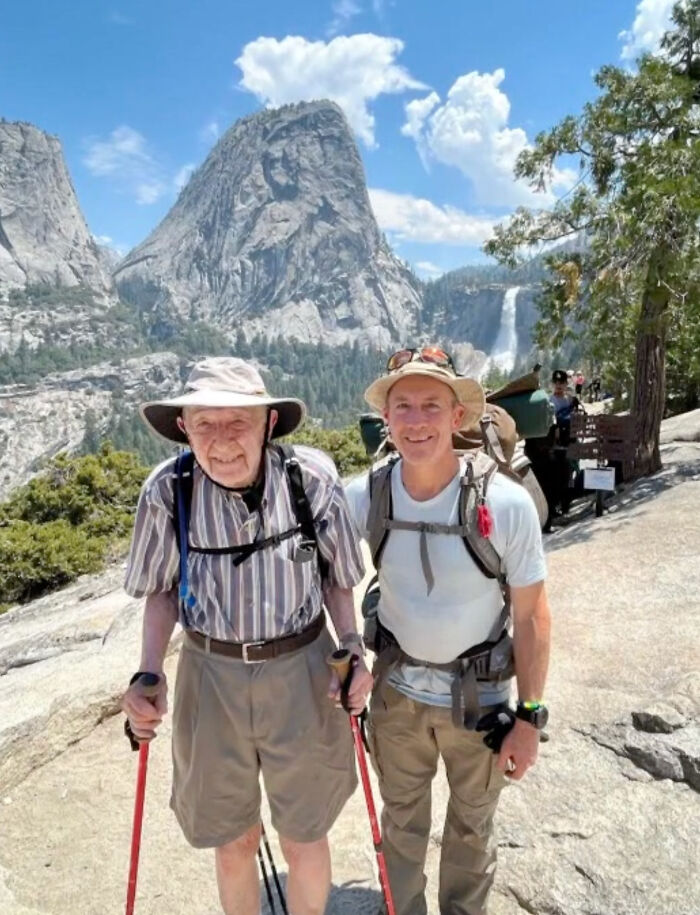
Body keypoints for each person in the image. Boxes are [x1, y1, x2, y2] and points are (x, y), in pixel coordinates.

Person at [121, 356, 372, 915]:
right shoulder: (167, 491)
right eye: (204, 424)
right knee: (232, 837)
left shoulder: (311, 479)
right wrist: (148, 672)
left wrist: (352, 647)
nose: (222, 441)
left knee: (303, 834)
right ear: (183, 428)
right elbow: (161, 591)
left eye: (238, 421)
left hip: (303, 667)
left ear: (269, 423)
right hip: (210, 675)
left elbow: (337, 578)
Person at [345, 347, 551, 915]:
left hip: (480, 701)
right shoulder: (365, 495)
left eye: (431, 405)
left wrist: (530, 718)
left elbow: (532, 615)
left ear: (457, 415)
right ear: (386, 418)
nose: (416, 421)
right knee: (402, 824)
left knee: (471, 830)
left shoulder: (505, 504)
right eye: (403, 406)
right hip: (396, 697)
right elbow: (321, 574)